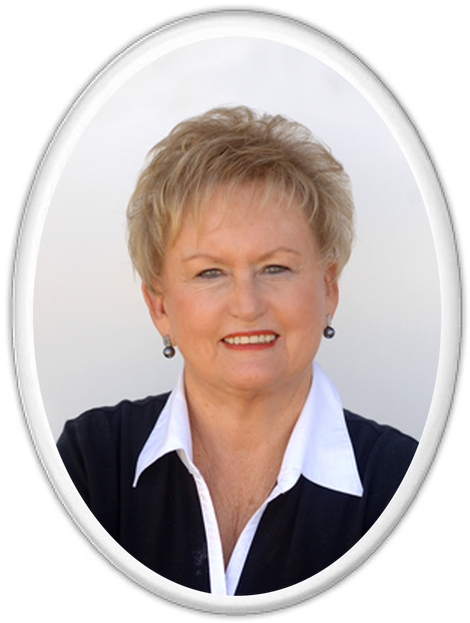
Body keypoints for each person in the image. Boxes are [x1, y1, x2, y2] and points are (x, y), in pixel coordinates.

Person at [57, 106, 418, 596]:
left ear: (328, 289)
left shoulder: (402, 482)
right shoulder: (92, 464)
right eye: (210, 272)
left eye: (275, 268)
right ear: (160, 306)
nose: (247, 305)